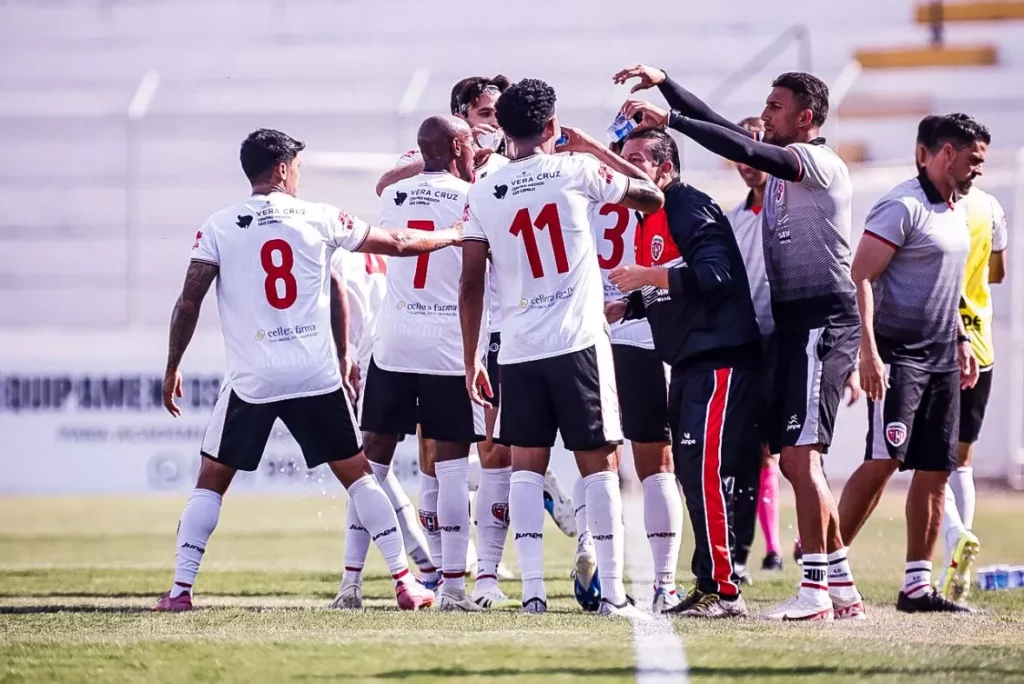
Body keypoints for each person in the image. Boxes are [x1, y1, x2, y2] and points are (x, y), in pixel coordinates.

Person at [153, 128, 460, 612]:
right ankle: (406, 582)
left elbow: (189, 301)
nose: (299, 175)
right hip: (314, 375)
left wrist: (173, 365)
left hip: (254, 378)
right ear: (281, 169)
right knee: (360, 477)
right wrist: (453, 234)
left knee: (211, 479)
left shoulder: (218, 225)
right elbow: (399, 243)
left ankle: (180, 591)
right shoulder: (320, 216)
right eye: (296, 167)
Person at [614, 64, 865, 621]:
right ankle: (841, 585)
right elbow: (724, 128)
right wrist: (666, 83)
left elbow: (737, 142)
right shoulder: (774, 166)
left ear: (806, 118)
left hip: (820, 319)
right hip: (786, 328)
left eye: (775, 108)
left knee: (799, 458)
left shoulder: (817, 162)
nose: (764, 115)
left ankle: (815, 591)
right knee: (790, 460)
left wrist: (669, 117)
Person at [459, 78, 664, 618]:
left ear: (504, 130)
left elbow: (471, 284)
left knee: (526, 467)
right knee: (599, 465)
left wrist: (471, 358)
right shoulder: (576, 169)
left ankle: (533, 593)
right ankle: (613, 594)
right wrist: (595, 147)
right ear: (552, 125)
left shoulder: (483, 192)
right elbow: (653, 196)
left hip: (518, 348)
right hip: (577, 343)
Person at [605, 128, 761, 618]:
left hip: (718, 360)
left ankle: (724, 590)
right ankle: (711, 583)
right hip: (689, 363)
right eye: (623, 159)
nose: (626, 168)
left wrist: (645, 276)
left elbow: (716, 274)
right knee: (693, 473)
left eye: (637, 160)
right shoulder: (648, 218)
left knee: (704, 472)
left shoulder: (686, 204)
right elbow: (672, 289)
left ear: (665, 169)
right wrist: (628, 306)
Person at [838, 113, 987, 613]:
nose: (978, 169)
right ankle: (827, 566)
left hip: (943, 357)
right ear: (946, 153)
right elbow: (859, 277)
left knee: (937, 468)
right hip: (899, 356)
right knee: (884, 460)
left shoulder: (956, 209)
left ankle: (917, 587)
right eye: (974, 159)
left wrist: (961, 338)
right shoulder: (902, 206)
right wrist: (868, 352)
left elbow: (947, 284)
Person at [595, 140, 684, 614]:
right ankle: (663, 583)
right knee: (652, 462)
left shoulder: (581, 187)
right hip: (637, 335)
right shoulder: (659, 202)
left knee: (602, 462)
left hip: (594, 336)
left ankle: (601, 570)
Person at [939, 139, 1008, 601]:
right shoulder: (992, 207)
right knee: (962, 458)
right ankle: (958, 557)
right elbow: (997, 273)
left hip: (934, 340)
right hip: (980, 342)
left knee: (927, 460)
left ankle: (955, 537)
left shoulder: (931, 204)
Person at [724, 117, 785, 579]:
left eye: (756, 150)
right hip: (747, 346)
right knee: (746, 451)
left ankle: (809, 547)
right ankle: (744, 552)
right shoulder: (733, 220)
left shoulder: (793, 208)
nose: (748, 161)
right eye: (740, 153)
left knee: (792, 451)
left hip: (787, 343)